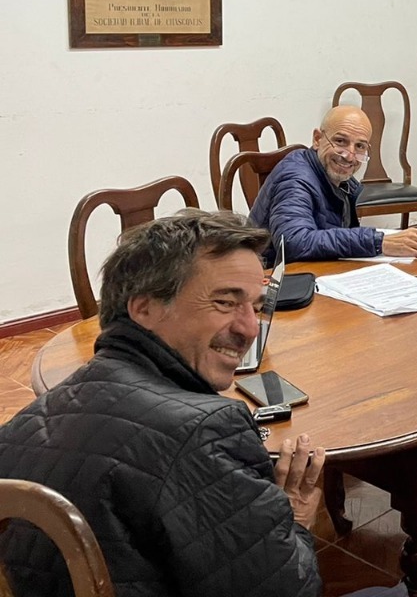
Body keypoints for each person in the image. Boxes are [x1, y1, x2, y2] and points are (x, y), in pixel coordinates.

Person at [0, 210, 324, 597]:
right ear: (144, 308)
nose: (250, 329)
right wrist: (296, 519)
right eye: (224, 302)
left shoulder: (17, 429)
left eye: (255, 307)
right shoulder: (204, 432)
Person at [250, 105, 417, 264]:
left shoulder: (338, 177)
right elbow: (293, 242)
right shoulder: (295, 179)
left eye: (360, 146)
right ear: (317, 139)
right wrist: (378, 242)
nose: (349, 155)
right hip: (274, 286)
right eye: (340, 141)